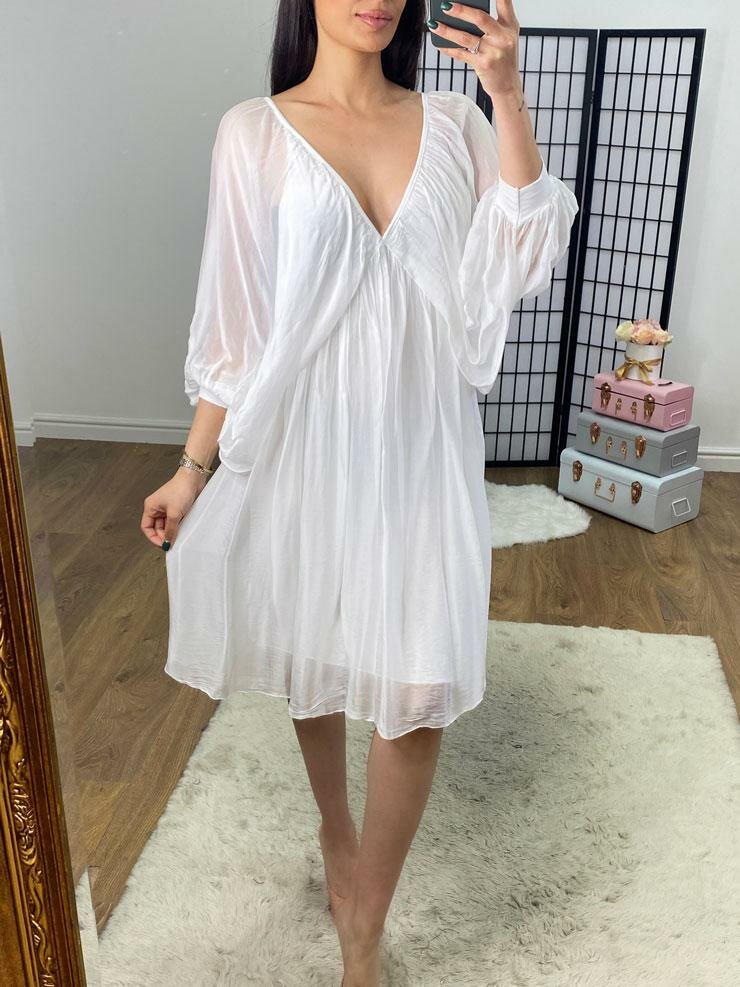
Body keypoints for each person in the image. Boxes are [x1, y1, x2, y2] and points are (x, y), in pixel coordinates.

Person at [141, 2, 578, 983]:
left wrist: (505, 92)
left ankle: (365, 930)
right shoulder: (253, 132)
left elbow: (523, 247)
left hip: (421, 448)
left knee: (415, 692)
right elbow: (238, 328)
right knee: (318, 645)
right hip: (303, 443)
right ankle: (335, 831)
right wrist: (192, 467)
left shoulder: (454, 124)